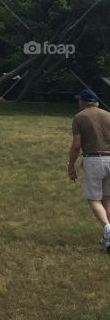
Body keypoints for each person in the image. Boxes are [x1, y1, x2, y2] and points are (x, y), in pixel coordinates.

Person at [67, 88, 110, 252]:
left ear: (83, 102)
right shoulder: (108, 115)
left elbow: (76, 145)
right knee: (107, 199)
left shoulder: (79, 117)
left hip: (93, 160)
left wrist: (71, 165)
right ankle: (108, 236)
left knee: (93, 199)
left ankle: (107, 228)